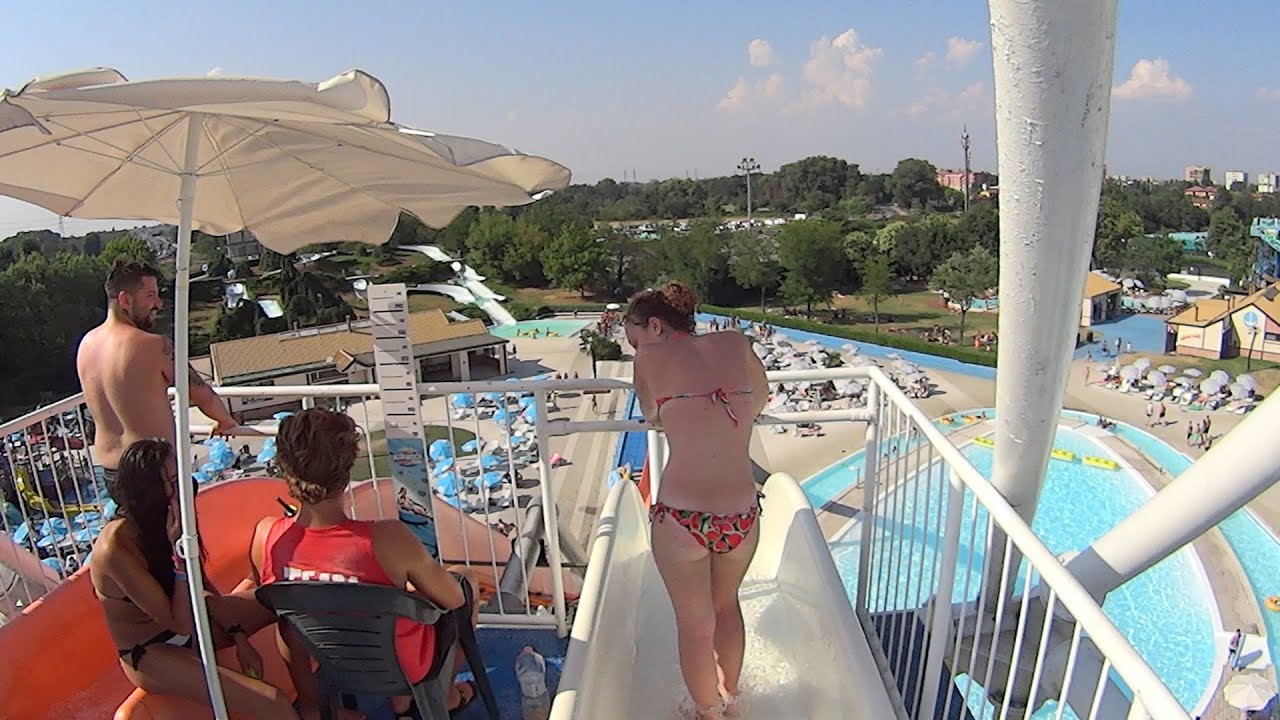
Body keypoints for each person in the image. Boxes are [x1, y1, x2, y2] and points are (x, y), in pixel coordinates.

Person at [249, 409, 480, 719]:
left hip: (331, 663)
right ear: (347, 467)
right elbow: (453, 600)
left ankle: (320, 704)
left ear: (284, 467)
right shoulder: (387, 539)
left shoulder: (267, 537)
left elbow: (282, 617)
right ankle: (443, 694)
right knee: (466, 582)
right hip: (403, 667)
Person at [625, 282, 770, 719]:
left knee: (694, 625)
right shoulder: (735, 342)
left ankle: (707, 713)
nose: (633, 346)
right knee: (727, 607)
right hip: (741, 514)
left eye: (633, 337)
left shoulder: (649, 359)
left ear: (654, 325)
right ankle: (734, 699)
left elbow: (651, 414)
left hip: (682, 517)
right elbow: (760, 400)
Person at [88, 439, 298, 718]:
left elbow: (203, 589)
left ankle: (311, 697)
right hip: (152, 650)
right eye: (173, 481)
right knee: (272, 701)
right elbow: (180, 622)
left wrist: (239, 636)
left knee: (288, 599)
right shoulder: (115, 549)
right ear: (148, 492)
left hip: (195, 622)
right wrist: (179, 554)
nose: (183, 489)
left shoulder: (172, 514)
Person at [77, 260, 238, 496]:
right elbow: (203, 394)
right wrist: (225, 421)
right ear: (125, 300)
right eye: (150, 295)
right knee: (179, 533)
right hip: (156, 471)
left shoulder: (86, 345)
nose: (158, 303)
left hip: (113, 472)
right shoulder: (154, 346)